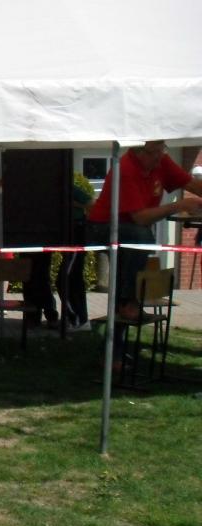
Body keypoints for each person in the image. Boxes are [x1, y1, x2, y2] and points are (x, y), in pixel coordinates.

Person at [87, 141, 202, 365]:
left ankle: (114, 349)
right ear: (139, 151)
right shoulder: (126, 169)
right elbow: (140, 218)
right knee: (141, 237)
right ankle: (128, 302)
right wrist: (178, 206)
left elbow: (190, 183)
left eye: (162, 151)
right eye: (154, 153)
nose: (160, 158)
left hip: (129, 229)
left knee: (133, 255)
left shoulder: (160, 160)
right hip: (103, 227)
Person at [57, 180, 94, 331]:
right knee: (74, 278)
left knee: (65, 279)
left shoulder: (69, 187)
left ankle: (78, 319)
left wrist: (75, 204)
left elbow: (92, 203)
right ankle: (78, 318)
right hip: (71, 236)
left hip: (76, 235)